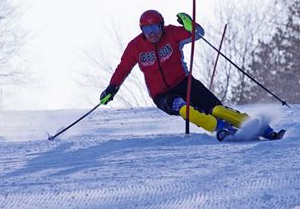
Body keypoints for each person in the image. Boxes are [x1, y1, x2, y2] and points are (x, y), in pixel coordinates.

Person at [100, 10, 285, 141]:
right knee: (183, 108)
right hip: (162, 94)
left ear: (161, 25)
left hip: (185, 83)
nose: (152, 33)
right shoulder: (135, 47)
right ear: (142, 31)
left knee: (218, 109)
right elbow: (123, 68)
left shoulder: (172, 33)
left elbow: (198, 34)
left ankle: (259, 127)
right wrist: (112, 88)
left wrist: (190, 24)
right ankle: (219, 127)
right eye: (147, 30)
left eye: (155, 27)